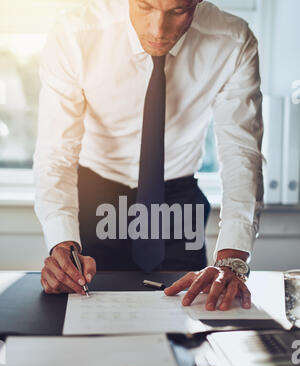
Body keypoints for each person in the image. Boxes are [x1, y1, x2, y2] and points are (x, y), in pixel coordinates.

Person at [33, 0, 264, 311]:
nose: (158, 29)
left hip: (176, 198)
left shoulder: (233, 41)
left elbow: (241, 151)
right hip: (95, 194)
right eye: (144, 6)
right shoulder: (75, 34)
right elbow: (56, 152)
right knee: (84, 313)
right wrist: (62, 243)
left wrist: (232, 260)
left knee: (192, 317)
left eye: (178, 11)